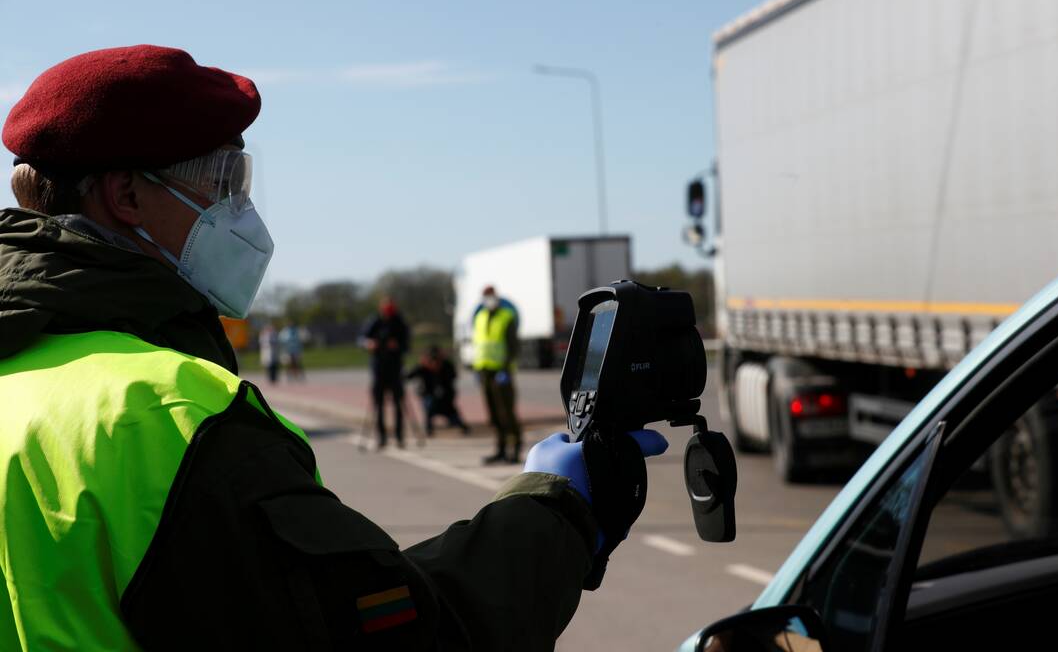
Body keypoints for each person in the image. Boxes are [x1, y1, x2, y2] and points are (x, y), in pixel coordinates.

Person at [0, 44, 667, 650]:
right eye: (226, 182)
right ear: (127, 196)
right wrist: (557, 510)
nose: (242, 211)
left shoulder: (18, 372)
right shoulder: (175, 417)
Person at [472, 284, 524, 464]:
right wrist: (477, 369)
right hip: (484, 370)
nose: (489, 300)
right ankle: (500, 449)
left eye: (491, 296)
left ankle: (515, 449)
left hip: (501, 371)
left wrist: (506, 367)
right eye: (486, 296)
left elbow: (513, 346)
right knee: (493, 414)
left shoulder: (506, 316)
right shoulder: (480, 316)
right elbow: (479, 344)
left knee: (506, 412)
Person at [363, 297, 411, 448]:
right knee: (378, 403)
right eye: (385, 310)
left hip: (395, 368)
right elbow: (362, 338)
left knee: (398, 403)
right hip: (379, 368)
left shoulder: (400, 322)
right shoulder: (374, 321)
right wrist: (369, 344)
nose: (387, 313)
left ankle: (399, 436)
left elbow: (407, 345)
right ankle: (381, 436)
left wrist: (397, 346)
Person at [407, 345, 469, 435]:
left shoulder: (446, 366)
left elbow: (453, 376)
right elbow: (409, 376)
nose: (434, 362)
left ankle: (458, 424)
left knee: (452, 413)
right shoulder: (423, 367)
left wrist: (440, 369)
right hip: (429, 398)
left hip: (446, 399)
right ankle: (429, 428)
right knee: (429, 405)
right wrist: (422, 365)